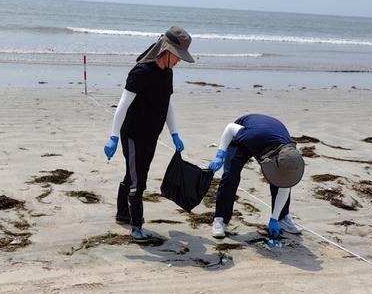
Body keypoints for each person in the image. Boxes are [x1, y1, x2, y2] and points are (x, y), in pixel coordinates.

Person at [104, 26, 195, 243]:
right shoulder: (141, 72)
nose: (179, 61)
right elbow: (123, 105)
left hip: (151, 135)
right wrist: (114, 136)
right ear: (166, 50)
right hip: (134, 135)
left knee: (133, 174)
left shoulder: (167, 73)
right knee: (139, 181)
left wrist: (175, 133)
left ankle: (122, 214)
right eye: (178, 56)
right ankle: (137, 227)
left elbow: (167, 104)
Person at [208, 114, 305, 239]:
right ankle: (220, 218)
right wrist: (220, 154)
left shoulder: (289, 154)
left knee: (281, 179)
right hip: (242, 139)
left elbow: (285, 185)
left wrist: (274, 218)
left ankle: (282, 217)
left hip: (269, 144)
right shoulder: (253, 135)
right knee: (230, 176)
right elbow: (230, 128)